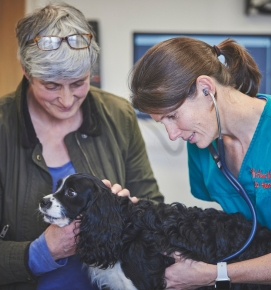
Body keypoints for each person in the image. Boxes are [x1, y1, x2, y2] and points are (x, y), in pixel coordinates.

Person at [0, 3, 163, 290]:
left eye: (78, 83)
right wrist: (40, 252)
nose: (66, 100)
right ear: (27, 72)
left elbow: (154, 212)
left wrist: (128, 212)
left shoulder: (118, 115)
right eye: (51, 86)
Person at [129, 36, 271, 289]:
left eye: (173, 115)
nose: (172, 135)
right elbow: (232, 232)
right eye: (163, 122)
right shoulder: (202, 143)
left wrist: (215, 273)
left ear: (206, 88)